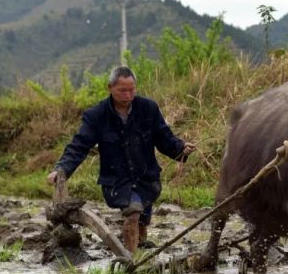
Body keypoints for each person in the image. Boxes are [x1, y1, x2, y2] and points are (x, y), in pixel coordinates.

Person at [47, 66, 196, 254]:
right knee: (133, 213)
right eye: (122, 90)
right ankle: (130, 261)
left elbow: (164, 137)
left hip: (146, 178)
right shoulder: (96, 116)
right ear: (110, 87)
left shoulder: (148, 109)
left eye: (132, 89)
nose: (128, 95)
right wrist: (61, 169)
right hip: (117, 181)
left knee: (141, 219)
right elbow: (79, 145)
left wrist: (181, 149)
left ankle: (141, 249)